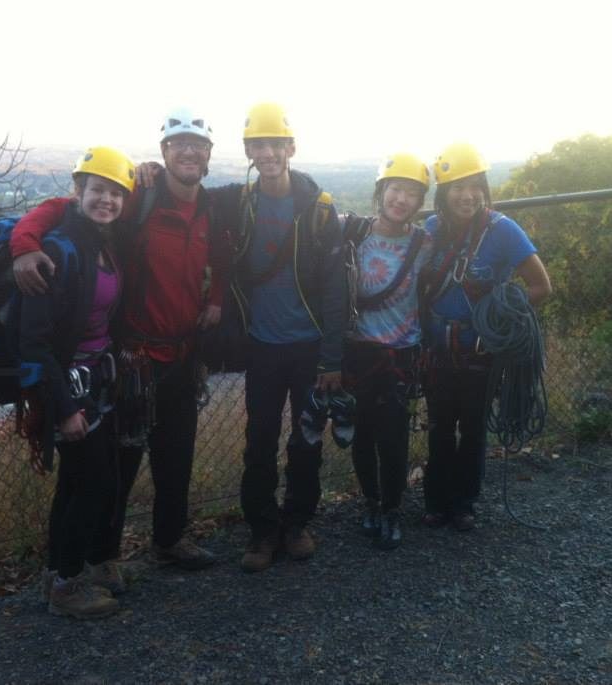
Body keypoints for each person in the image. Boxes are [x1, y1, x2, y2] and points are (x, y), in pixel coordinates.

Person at [10, 109, 224, 573]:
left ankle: (169, 540)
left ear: (209, 156)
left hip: (184, 353)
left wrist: (219, 297)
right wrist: (25, 245)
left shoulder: (211, 206)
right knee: (119, 467)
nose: (189, 151)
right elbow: (62, 209)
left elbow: (224, 256)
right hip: (133, 358)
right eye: (179, 144)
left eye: (199, 145)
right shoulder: (138, 195)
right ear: (163, 152)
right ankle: (102, 558)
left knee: (176, 457)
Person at [214, 102, 346, 573]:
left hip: (308, 348)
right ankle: (262, 530)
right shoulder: (238, 202)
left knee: (307, 438)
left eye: (275, 144)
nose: (267, 152)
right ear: (248, 150)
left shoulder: (318, 210)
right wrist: (147, 172)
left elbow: (334, 289)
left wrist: (332, 357)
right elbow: (182, 199)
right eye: (258, 145)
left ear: (291, 147)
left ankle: (297, 523)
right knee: (260, 440)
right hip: (264, 347)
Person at [19, 145, 133, 618]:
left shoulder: (99, 243)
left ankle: (57, 573)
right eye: (97, 191)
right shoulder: (60, 250)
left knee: (77, 481)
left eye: (115, 193)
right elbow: (35, 342)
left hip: (94, 382)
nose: (106, 200)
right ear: (78, 191)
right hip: (70, 388)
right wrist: (64, 408)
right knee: (96, 482)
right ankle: (67, 584)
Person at [420, 142, 551, 531]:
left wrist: (498, 313)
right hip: (438, 350)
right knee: (440, 426)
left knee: (473, 427)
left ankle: (463, 503)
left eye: (475, 184)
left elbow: (541, 287)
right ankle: (436, 499)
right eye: (458, 186)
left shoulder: (503, 231)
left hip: (480, 351)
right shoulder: (431, 231)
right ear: (443, 193)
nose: (468, 194)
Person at [342, 153, 432, 550]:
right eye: (395, 189)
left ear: (420, 202)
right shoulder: (354, 234)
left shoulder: (425, 243)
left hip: (401, 353)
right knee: (362, 434)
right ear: (381, 192)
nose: (401, 199)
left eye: (412, 193)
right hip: (359, 351)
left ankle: (392, 508)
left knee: (393, 436)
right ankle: (371, 502)